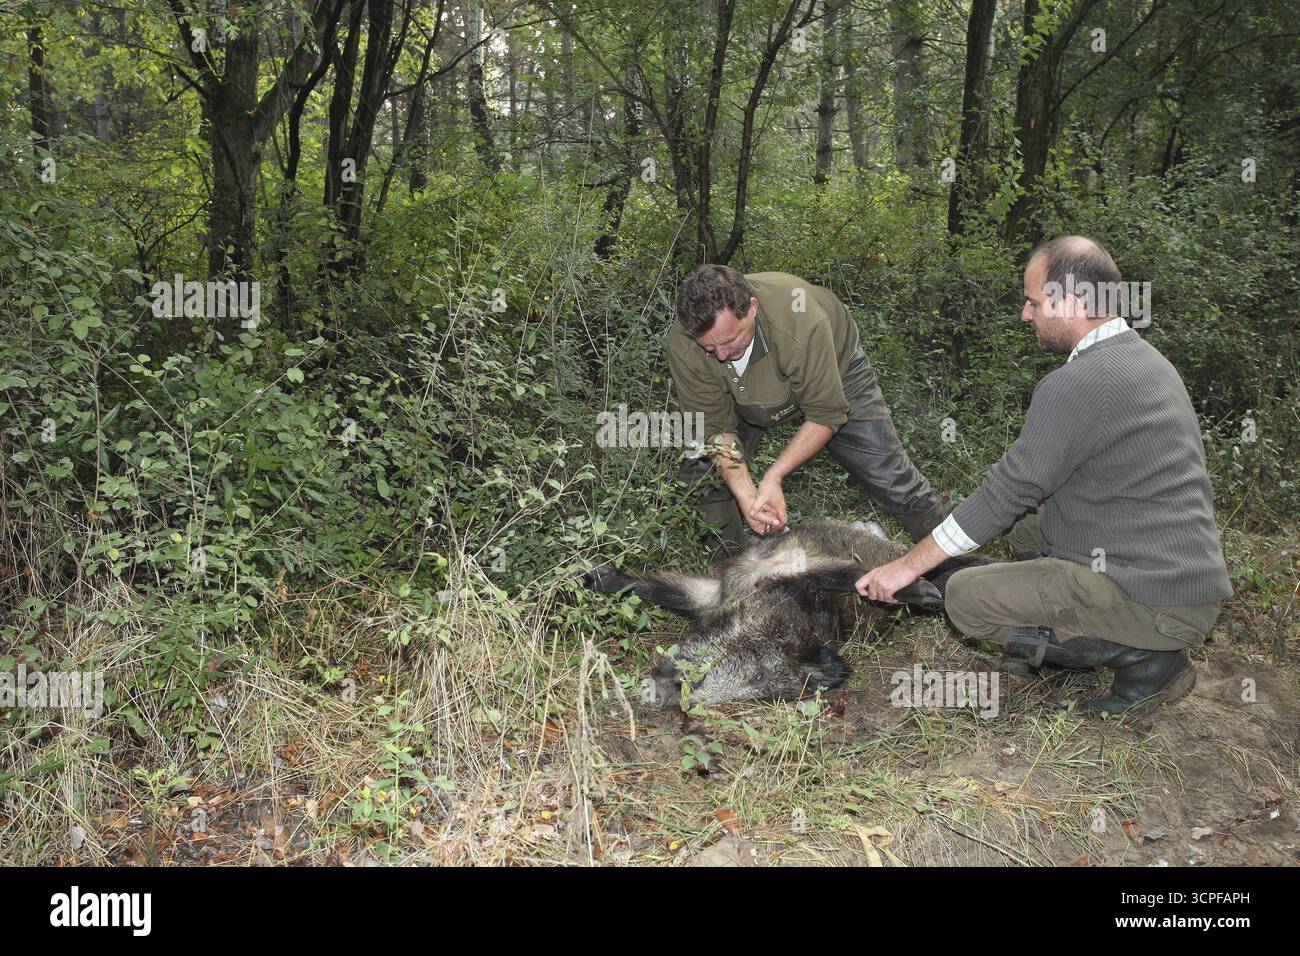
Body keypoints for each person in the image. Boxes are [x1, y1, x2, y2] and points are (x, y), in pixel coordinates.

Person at [856, 235, 1232, 714]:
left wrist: (906, 567)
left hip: (1158, 602)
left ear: (1069, 302)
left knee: (967, 598)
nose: (1026, 314)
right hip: (1181, 579)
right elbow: (1021, 499)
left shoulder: (1078, 383)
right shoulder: (1145, 359)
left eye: (1033, 302)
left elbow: (1006, 491)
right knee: (1023, 528)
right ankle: (1062, 630)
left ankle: (1148, 662)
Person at [669, 265, 950, 555]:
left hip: (834, 373)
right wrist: (748, 495)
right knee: (703, 472)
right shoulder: (685, 342)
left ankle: (950, 566)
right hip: (740, 395)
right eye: (709, 348)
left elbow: (826, 414)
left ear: (752, 307)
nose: (722, 355)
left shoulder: (800, 319)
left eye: (729, 341)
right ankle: (734, 579)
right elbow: (716, 429)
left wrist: (774, 476)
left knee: (890, 477)